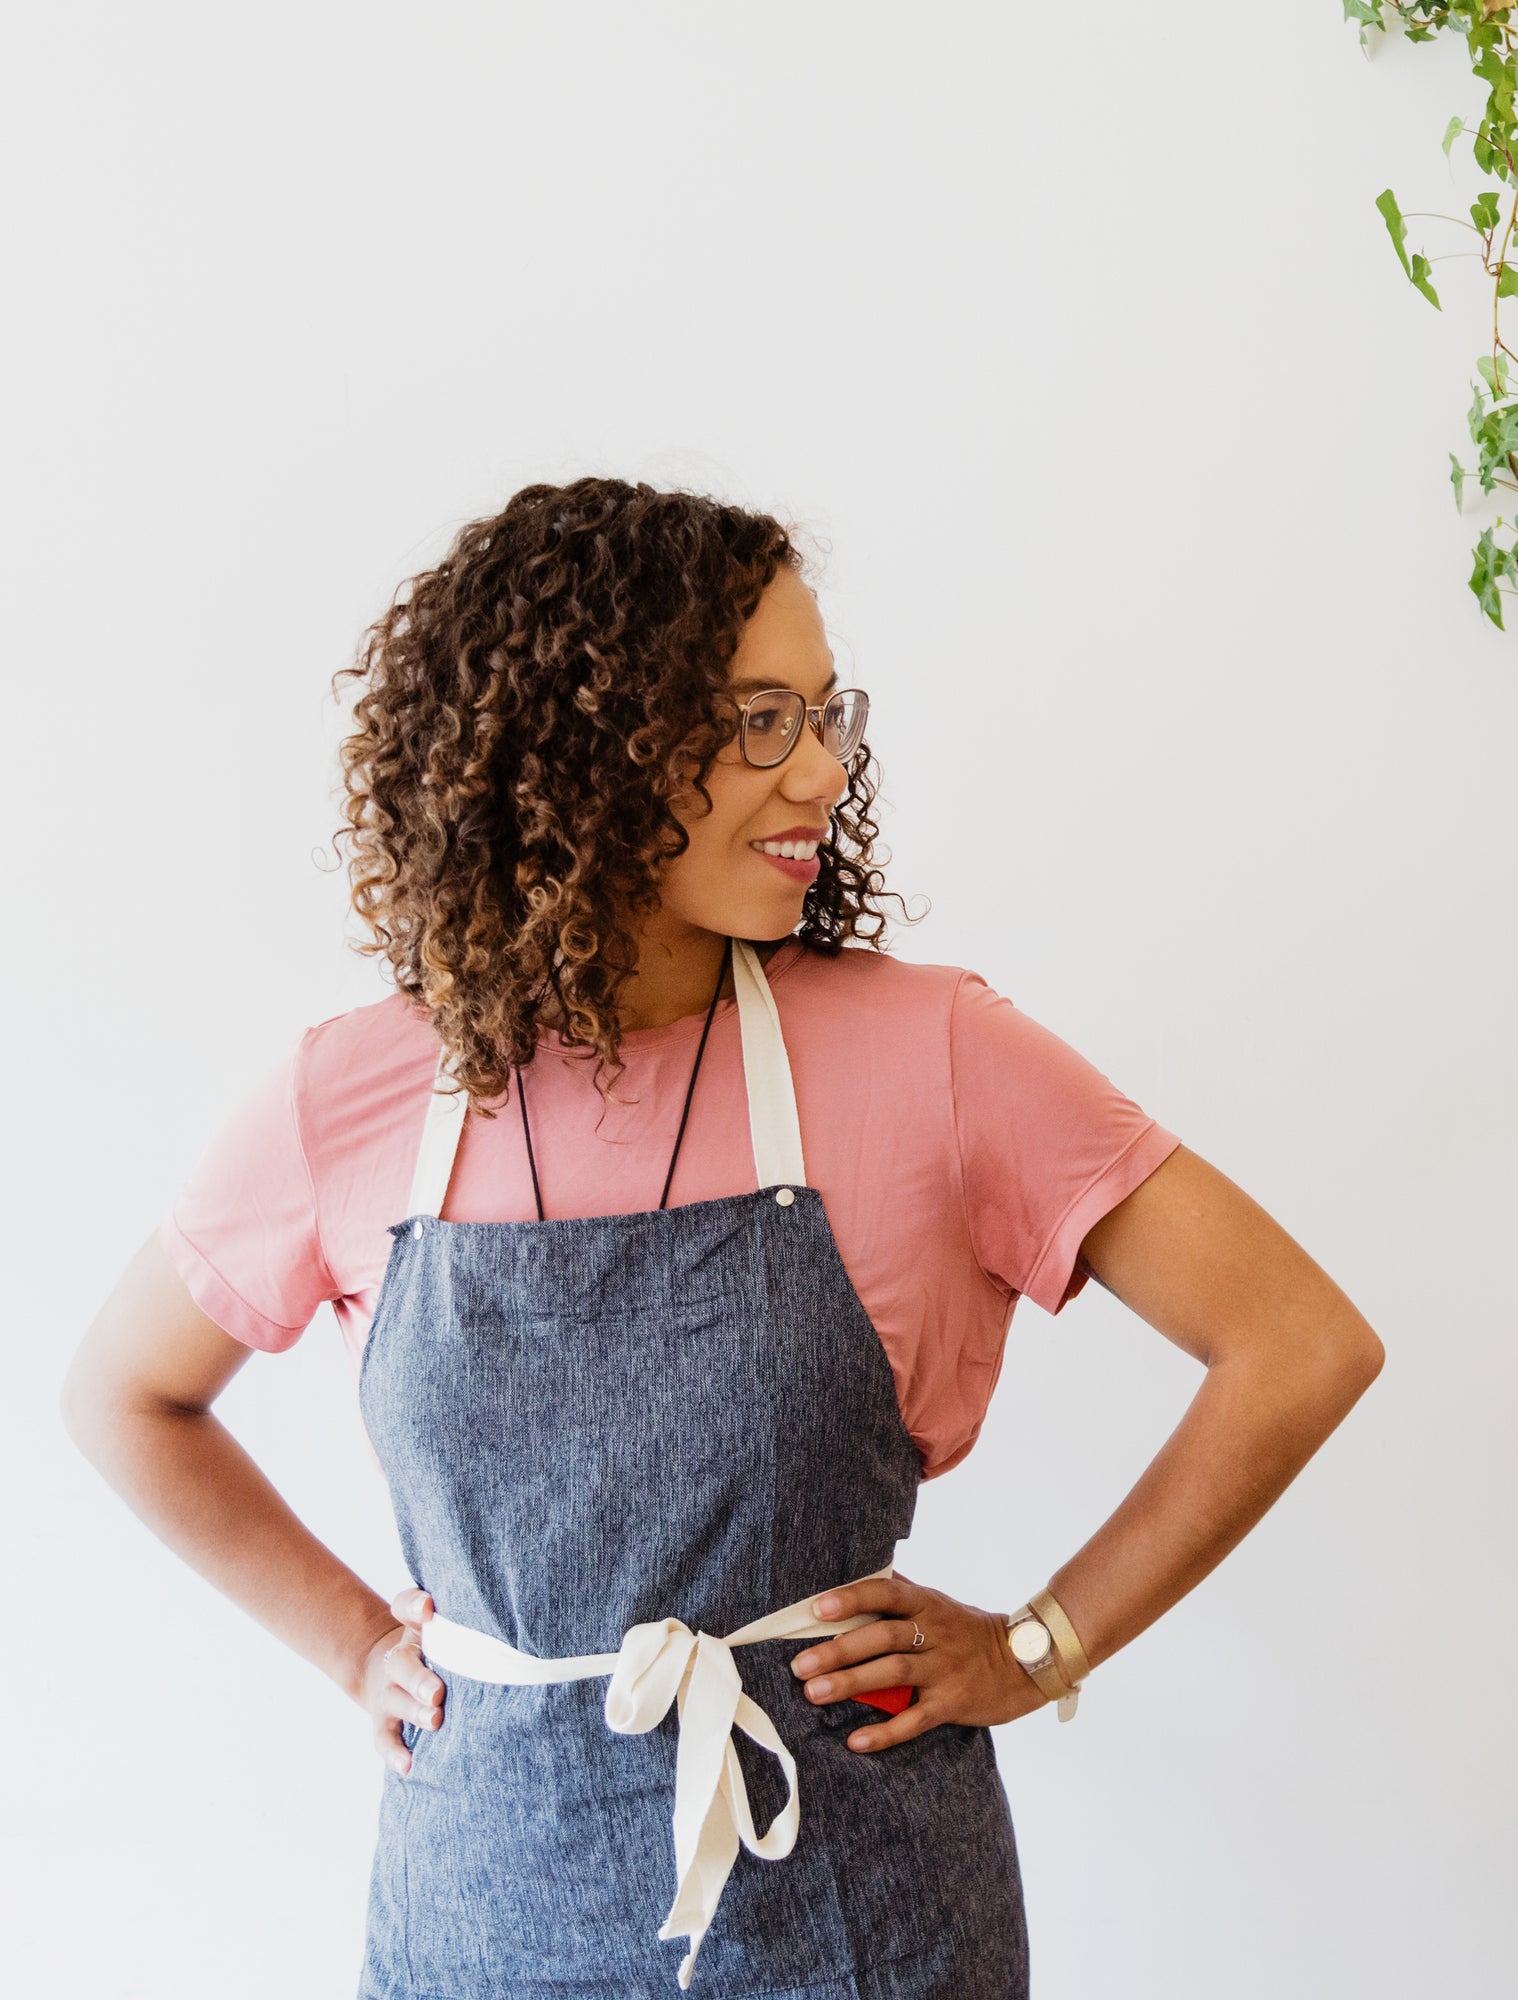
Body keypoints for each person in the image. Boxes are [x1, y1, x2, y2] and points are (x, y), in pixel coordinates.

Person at [62, 478, 1384, 1999]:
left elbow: (1298, 1341)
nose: (823, 769)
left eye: (828, 716)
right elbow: (126, 1396)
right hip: (482, 1911)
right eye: (762, 719)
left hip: (859, 1912)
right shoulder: (351, 1095)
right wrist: (356, 1643)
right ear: (586, 744)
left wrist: (1039, 1647)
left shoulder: (933, 1054)